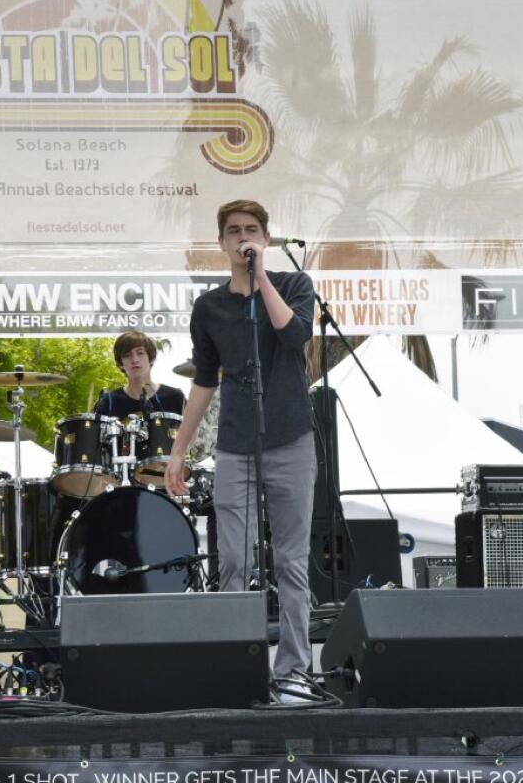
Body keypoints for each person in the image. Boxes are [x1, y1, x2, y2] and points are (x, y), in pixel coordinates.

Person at [164, 199, 316, 701]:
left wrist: (261, 279)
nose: (242, 238)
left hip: (291, 438)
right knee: (233, 559)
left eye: (251, 230)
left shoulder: (293, 286)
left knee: (292, 561)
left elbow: (293, 336)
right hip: (234, 445)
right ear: (221, 242)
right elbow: (204, 381)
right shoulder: (209, 307)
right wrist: (179, 450)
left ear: (266, 239)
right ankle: (237, 664)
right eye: (233, 231)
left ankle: (294, 670)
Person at [93, 330, 185, 418]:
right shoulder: (108, 401)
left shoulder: (175, 397)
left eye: (140, 353)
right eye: (127, 355)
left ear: (151, 358)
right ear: (120, 364)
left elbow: (193, 432)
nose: (134, 359)